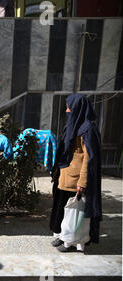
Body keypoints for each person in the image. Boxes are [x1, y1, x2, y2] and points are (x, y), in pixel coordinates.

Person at [50, 94, 102, 252]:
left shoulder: (88, 130)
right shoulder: (73, 125)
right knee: (64, 209)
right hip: (65, 176)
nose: (67, 110)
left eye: (69, 107)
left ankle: (73, 242)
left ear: (78, 108)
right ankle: (63, 236)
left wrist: (83, 182)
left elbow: (90, 159)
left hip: (76, 180)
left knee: (75, 212)